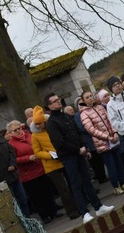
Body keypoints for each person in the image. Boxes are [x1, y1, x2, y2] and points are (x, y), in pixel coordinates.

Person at [44, 93, 114, 223]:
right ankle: (84, 213)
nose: (58, 102)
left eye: (58, 99)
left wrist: (84, 148)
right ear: (49, 105)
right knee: (76, 184)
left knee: (87, 180)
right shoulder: (51, 123)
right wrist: (77, 149)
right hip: (68, 156)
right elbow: (60, 142)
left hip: (80, 153)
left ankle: (98, 207)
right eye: (55, 101)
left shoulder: (66, 116)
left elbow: (77, 132)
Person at [79, 90, 124, 196]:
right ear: (84, 101)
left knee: (119, 163)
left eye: (91, 96)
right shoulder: (84, 113)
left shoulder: (100, 107)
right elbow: (91, 130)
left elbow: (110, 120)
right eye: (87, 97)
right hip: (102, 143)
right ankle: (115, 186)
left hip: (113, 139)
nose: (90, 98)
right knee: (111, 165)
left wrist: (115, 132)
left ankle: (122, 183)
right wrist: (107, 137)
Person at [30, 106, 80, 220]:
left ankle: (79, 205)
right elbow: (37, 152)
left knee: (73, 183)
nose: (38, 126)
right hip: (51, 165)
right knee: (62, 189)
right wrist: (50, 155)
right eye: (36, 124)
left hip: (62, 159)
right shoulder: (35, 135)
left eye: (40, 123)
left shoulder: (52, 128)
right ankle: (71, 211)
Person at [6, 120, 60, 223]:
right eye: (15, 130)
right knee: (36, 196)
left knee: (47, 191)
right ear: (10, 133)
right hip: (28, 174)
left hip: (40, 168)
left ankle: (53, 211)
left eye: (19, 128)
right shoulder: (11, 144)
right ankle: (44, 216)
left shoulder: (30, 136)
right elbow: (14, 160)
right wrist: (27, 158)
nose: (18, 131)